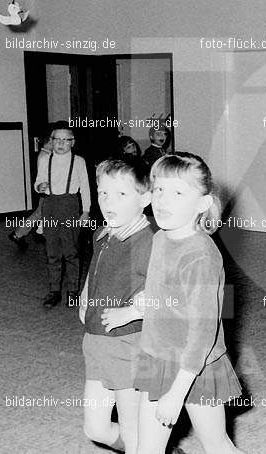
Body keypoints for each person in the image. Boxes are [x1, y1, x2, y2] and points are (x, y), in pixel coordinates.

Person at [102, 152, 243, 453]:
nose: (164, 201)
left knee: (217, 446)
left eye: (178, 192)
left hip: (195, 368)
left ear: (202, 204)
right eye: (160, 190)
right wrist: (132, 309)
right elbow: (164, 295)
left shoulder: (201, 256)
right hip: (158, 357)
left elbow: (203, 332)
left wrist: (177, 393)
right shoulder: (161, 238)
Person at [79, 156, 155, 452]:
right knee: (94, 427)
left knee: (133, 429)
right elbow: (97, 266)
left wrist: (134, 310)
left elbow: (172, 294)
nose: (108, 202)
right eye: (103, 193)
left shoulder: (149, 242)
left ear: (145, 198)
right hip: (96, 341)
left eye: (121, 194)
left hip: (129, 344)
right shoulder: (103, 233)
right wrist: (86, 292)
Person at [34, 121, 91, 308]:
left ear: (72, 142)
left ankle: (73, 290)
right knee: (52, 251)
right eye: (57, 139)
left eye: (66, 140)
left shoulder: (79, 161)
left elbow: (85, 187)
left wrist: (86, 211)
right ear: (51, 141)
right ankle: (54, 291)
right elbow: (38, 181)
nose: (61, 143)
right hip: (50, 206)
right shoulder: (45, 159)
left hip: (70, 206)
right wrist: (39, 187)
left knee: (71, 251)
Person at [8, 135, 52, 249]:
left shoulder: (45, 155)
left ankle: (21, 233)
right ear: (48, 142)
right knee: (40, 213)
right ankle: (23, 233)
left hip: (45, 191)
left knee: (40, 213)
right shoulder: (45, 157)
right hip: (46, 191)